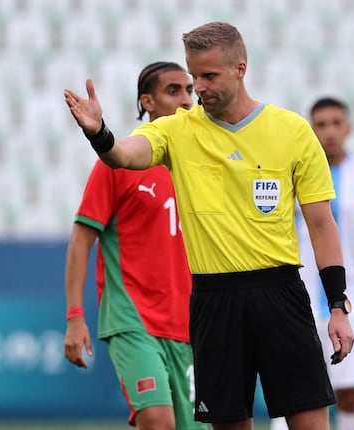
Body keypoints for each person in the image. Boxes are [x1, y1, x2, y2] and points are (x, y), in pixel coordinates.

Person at [65, 21, 354, 430]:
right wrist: (100, 134)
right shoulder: (177, 129)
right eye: (194, 76)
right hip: (213, 301)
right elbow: (124, 156)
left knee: (310, 425)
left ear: (240, 68)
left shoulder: (292, 131)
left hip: (281, 294)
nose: (198, 88)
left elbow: (322, 226)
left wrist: (338, 305)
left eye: (209, 76)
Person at [63, 61, 206, 430]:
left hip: (190, 324)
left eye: (189, 90)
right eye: (174, 90)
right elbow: (82, 239)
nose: (187, 99)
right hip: (133, 319)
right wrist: (75, 316)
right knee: (158, 421)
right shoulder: (118, 163)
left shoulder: (196, 167)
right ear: (148, 101)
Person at [272, 97, 354, 430]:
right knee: (294, 397)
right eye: (321, 124)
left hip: (350, 304)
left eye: (335, 123)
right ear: (311, 128)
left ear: (348, 127)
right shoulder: (289, 171)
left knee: (350, 396)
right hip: (294, 303)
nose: (329, 131)